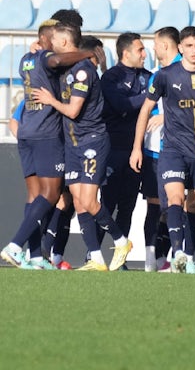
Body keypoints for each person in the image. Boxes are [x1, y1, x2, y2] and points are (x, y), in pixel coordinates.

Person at [130, 26, 195, 274]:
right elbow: (145, 110)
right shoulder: (166, 75)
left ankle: (191, 254)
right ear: (180, 48)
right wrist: (137, 148)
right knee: (175, 199)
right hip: (173, 149)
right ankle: (178, 255)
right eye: (189, 46)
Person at [30, 22, 133, 271]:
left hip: (92, 143)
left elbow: (73, 110)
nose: (50, 44)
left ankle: (121, 241)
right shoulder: (65, 68)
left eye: (53, 40)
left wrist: (50, 100)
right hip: (73, 144)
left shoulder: (83, 71)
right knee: (77, 202)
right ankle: (96, 259)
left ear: (64, 42)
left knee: (89, 202)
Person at [100, 32, 152, 246]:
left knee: (128, 205)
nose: (145, 54)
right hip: (113, 147)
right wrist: (150, 96)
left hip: (137, 148)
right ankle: (92, 253)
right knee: (107, 202)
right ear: (125, 53)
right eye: (140, 50)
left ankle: (119, 257)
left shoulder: (149, 76)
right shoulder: (111, 77)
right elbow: (122, 105)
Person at [141, 26, 182, 272]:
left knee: (177, 205)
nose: (152, 49)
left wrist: (166, 117)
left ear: (165, 46)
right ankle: (152, 258)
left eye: (155, 44)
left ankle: (173, 256)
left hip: (180, 150)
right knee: (155, 205)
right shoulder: (156, 74)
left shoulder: (186, 70)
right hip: (154, 149)